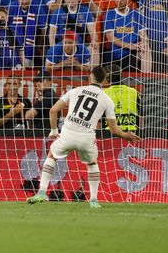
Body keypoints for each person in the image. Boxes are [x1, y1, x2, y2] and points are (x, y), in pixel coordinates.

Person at [27, 66, 141, 208]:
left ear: (89, 78)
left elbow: (53, 110)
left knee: (51, 156)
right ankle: (93, 199)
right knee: (92, 164)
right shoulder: (106, 99)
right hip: (87, 139)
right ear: (106, 80)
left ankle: (42, 192)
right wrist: (126, 135)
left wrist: (54, 130)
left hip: (68, 134)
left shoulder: (75, 91)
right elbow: (114, 130)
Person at [103, 67, 139, 132]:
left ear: (107, 78)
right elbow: (141, 115)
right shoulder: (133, 91)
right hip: (131, 132)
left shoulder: (104, 93)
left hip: (110, 132)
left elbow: (99, 118)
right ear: (121, 76)